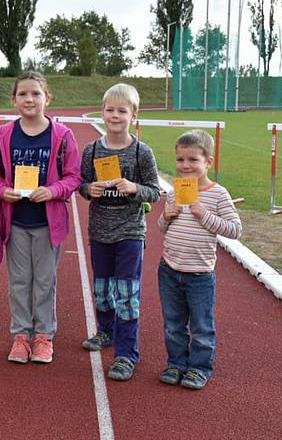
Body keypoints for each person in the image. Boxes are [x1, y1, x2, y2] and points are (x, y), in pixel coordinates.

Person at [0, 72, 82, 364]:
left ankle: (43, 336)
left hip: (46, 222)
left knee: (44, 281)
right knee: (18, 281)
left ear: (47, 98)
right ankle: (20, 336)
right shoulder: (3, 135)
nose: (29, 99)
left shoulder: (62, 135)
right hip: (15, 222)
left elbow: (73, 176)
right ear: (13, 99)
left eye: (36, 94)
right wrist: (3, 191)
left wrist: (52, 191)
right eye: (23, 94)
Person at [78, 83, 161, 381]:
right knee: (102, 291)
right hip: (99, 231)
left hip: (129, 232)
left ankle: (126, 354)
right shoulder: (92, 150)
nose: (114, 116)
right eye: (109, 110)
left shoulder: (142, 152)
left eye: (121, 111)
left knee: (127, 294)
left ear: (133, 115)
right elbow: (81, 185)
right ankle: (106, 331)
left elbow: (155, 191)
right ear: (102, 112)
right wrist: (90, 189)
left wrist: (135, 188)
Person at [157, 130, 242, 389]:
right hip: (169, 269)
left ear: (208, 162)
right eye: (181, 160)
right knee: (173, 324)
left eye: (193, 160)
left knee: (202, 326)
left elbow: (235, 229)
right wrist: (166, 216)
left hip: (199, 274)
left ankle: (199, 368)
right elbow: (162, 228)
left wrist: (203, 213)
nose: (185, 166)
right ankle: (176, 364)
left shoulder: (218, 194)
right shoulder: (175, 191)